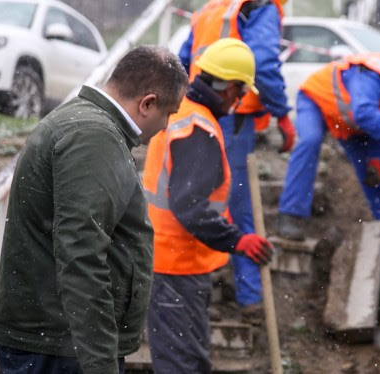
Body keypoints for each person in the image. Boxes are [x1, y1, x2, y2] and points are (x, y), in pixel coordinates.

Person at [0, 46, 188, 374]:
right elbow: (81, 254)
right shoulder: (92, 135)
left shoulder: (88, 125)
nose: (166, 125)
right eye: (169, 113)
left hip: (60, 341)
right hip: (60, 347)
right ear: (147, 103)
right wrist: (100, 363)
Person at [143, 38, 274, 373]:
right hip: (175, 266)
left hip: (169, 261)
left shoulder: (182, 111)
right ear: (229, 87)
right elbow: (189, 205)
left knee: (188, 360)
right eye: (242, 93)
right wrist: (237, 239)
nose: (240, 101)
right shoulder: (198, 129)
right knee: (182, 363)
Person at [178, 0, 292, 320]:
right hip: (233, 112)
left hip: (201, 107)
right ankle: (250, 295)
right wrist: (282, 114)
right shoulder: (261, 8)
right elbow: (266, 63)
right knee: (237, 202)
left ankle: (206, 284)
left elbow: (185, 60)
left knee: (204, 196)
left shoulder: (212, 9)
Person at [277, 52, 380, 252]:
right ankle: (289, 216)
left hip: (350, 122)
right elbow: (364, 113)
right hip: (317, 100)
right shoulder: (371, 74)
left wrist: (374, 157)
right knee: (310, 141)